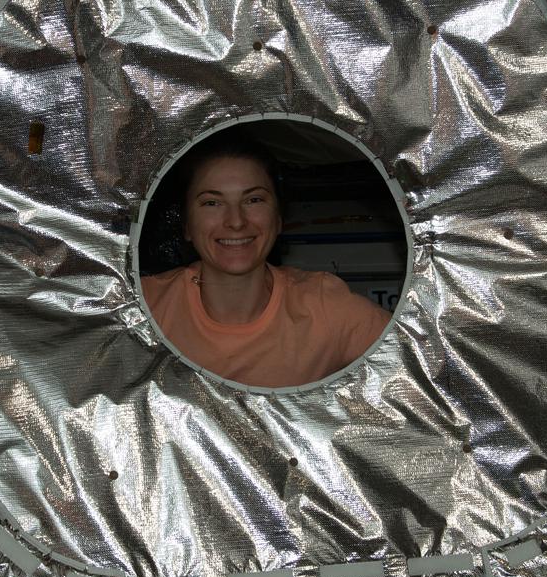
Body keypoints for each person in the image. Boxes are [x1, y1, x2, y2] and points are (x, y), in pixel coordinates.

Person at [141, 129, 392, 388]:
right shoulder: (146, 306)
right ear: (187, 226)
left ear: (279, 218)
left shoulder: (322, 305)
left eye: (254, 199)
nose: (236, 222)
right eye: (212, 203)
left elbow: (419, 362)